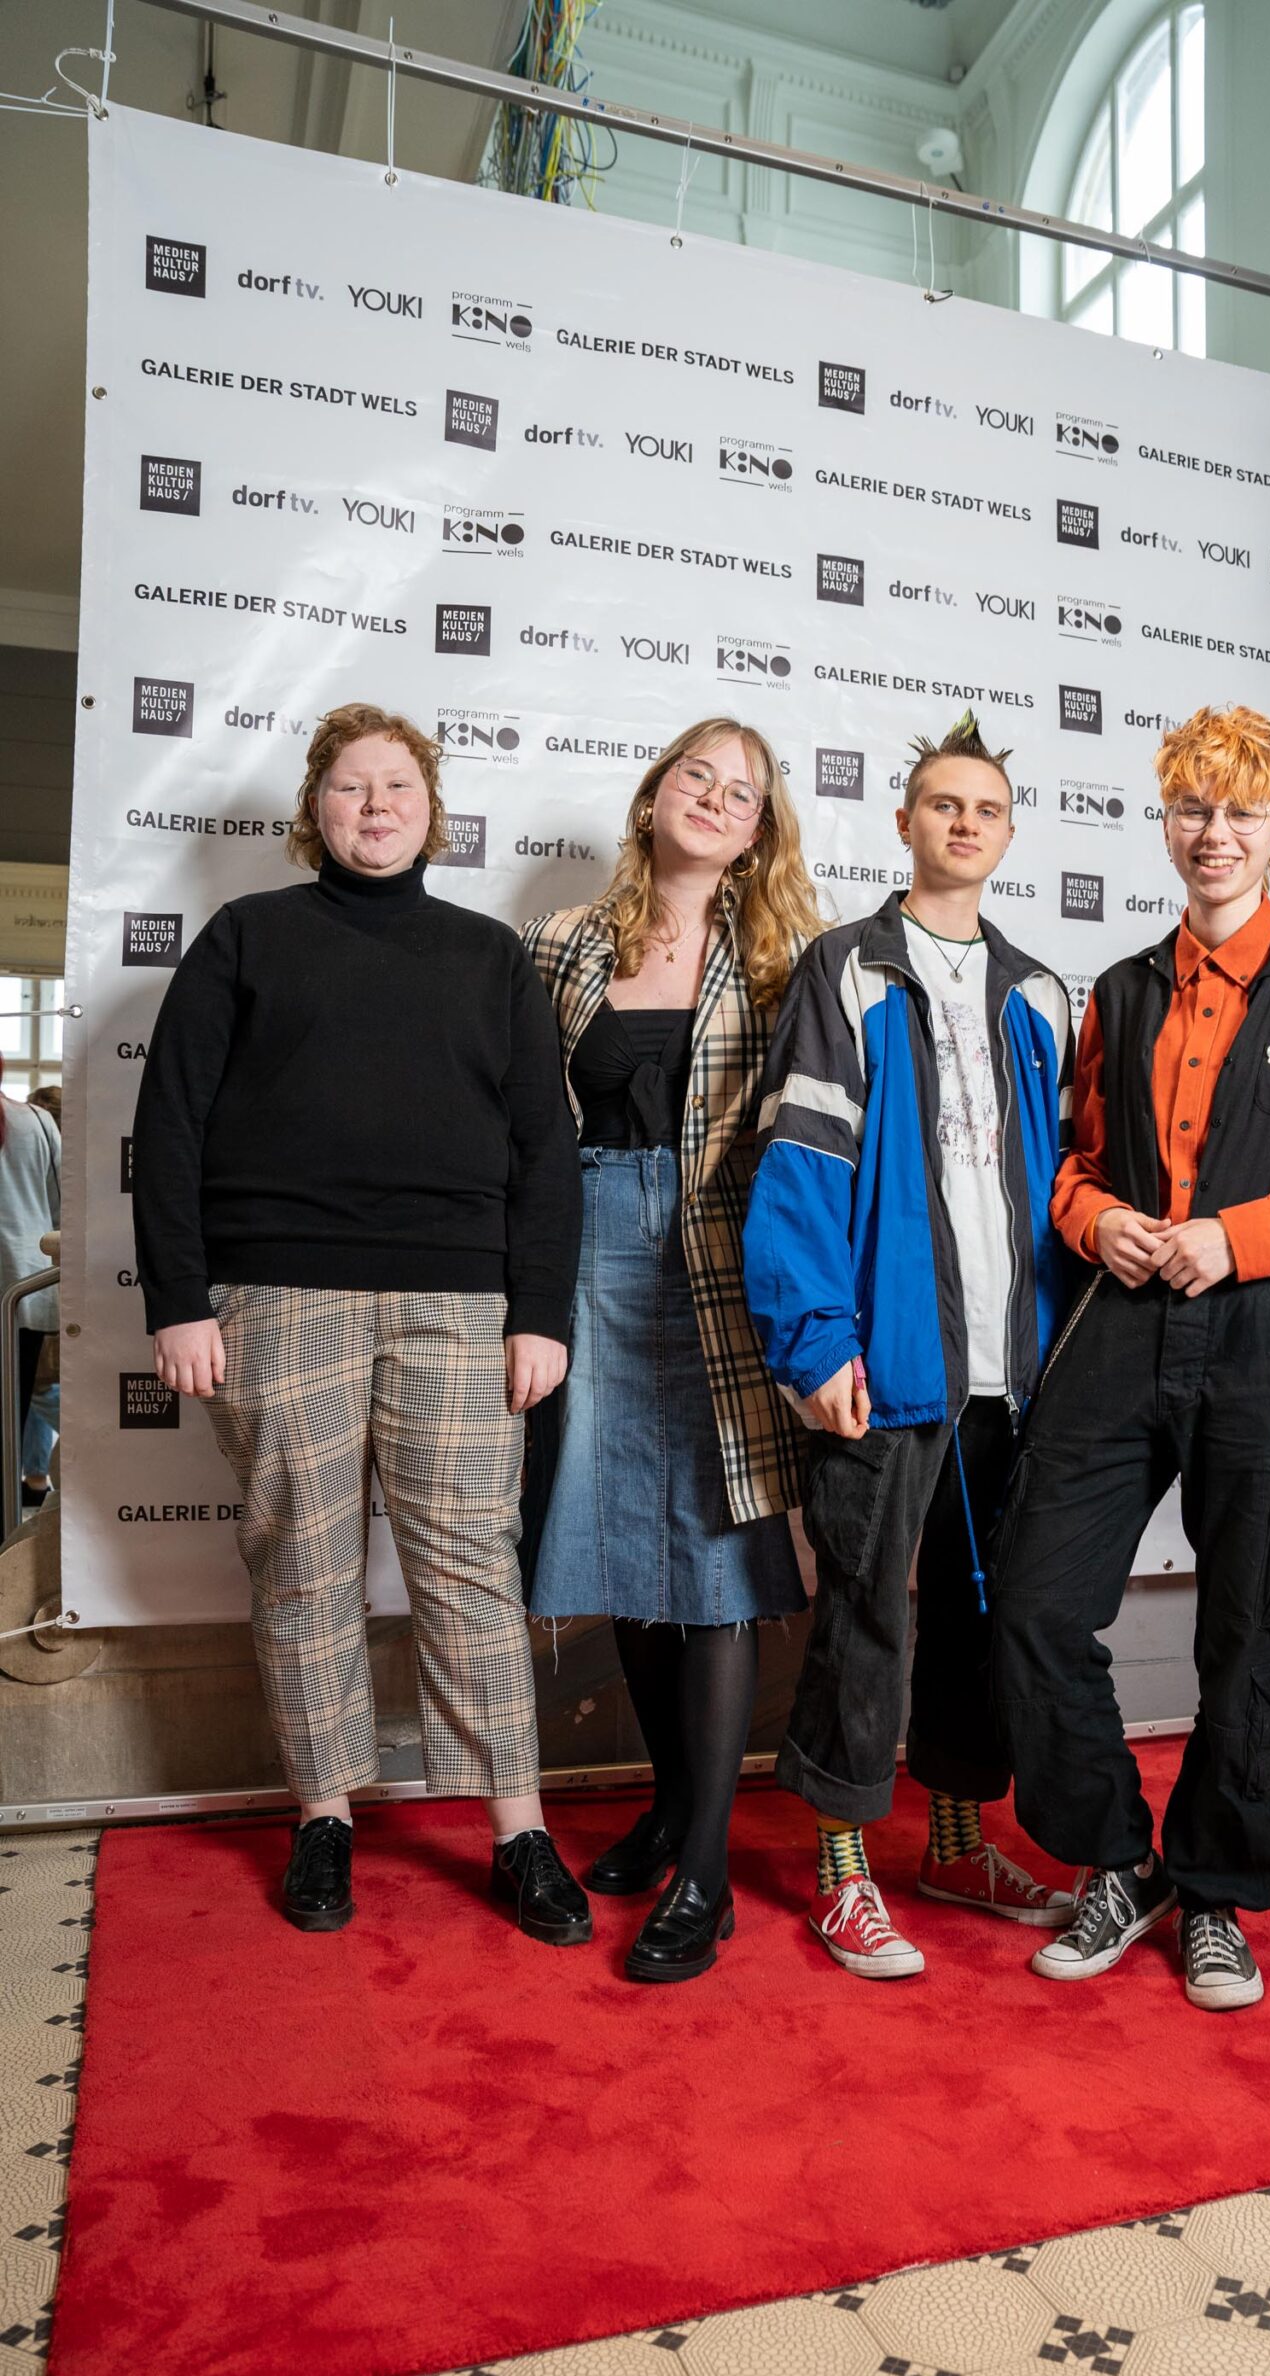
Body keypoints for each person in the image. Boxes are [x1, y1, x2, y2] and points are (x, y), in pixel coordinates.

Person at [990, 703, 1270, 2007]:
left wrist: (1236, 1240)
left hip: (1268, 1340)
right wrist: (1100, 1221)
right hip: (1120, 1335)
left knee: (1251, 1637)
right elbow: (1070, 1168)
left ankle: (1218, 1893)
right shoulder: (1118, 993)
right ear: (1164, 823)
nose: (1214, 833)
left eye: (1240, 812)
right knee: (1029, 1600)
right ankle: (1121, 1861)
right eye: (1192, 809)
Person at [131, 703, 586, 1944]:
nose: (374, 806)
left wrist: (539, 1311)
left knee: (471, 1571)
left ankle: (518, 1826)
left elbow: (549, 1152)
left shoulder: (491, 958)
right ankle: (324, 1814)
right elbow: (167, 1126)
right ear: (313, 811)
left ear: (431, 808)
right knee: (303, 1564)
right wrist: (177, 1298)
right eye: (348, 787)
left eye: (396, 785)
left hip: (459, 1304)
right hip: (278, 1299)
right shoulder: (245, 939)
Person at [743, 712, 1077, 1980]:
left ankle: (952, 1840)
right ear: (905, 823)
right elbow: (798, 1175)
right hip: (884, 1364)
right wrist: (816, 1340)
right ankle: (841, 1865)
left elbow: (1061, 1192)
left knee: (981, 1621)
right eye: (943, 804)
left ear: (1007, 833)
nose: (965, 824)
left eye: (986, 809)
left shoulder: (1038, 992)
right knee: (869, 1610)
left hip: (1015, 1374)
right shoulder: (847, 971)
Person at [523, 718, 820, 1985]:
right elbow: (525, 1129)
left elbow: (811, 1146)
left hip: (718, 1261)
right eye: (695, 775)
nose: (713, 798)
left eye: (739, 790)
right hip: (589, 1252)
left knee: (710, 1555)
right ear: (654, 798)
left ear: (759, 829)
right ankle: (665, 1799)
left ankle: (707, 1864)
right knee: (615, 1548)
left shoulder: (783, 958)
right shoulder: (560, 945)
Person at [0, 1071, 60, 1514]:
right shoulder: (36, 1121)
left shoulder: (36, 1119)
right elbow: (61, 1209)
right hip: (26, 1288)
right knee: (13, 1421)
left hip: (21, 1291)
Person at [21, 1086, 61, 1504]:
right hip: (40, 1282)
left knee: (39, 1388)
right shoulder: (43, 1132)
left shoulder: (38, 1129)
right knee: (35, 1387)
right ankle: (34, 1477)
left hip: (41, 1283)